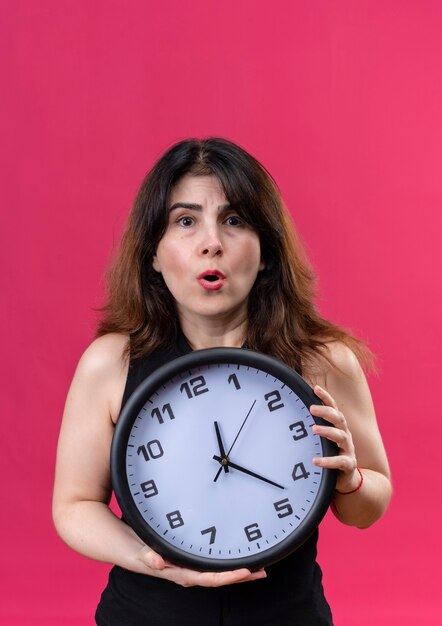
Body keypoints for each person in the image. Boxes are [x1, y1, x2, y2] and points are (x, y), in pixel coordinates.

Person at [52, 137, 392, 625]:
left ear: (267, 251)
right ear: (153, 253)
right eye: (185, 221)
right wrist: (155, 562)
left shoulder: (324, 361)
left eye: (234, 221)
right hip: (146, 613)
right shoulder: (111, 363)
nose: (211, 242)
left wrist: (350, 478)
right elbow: (74, 505)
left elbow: (369, 507)